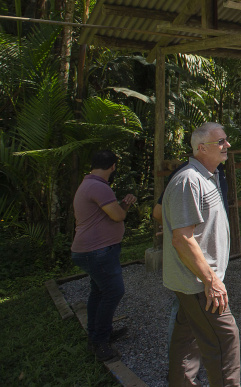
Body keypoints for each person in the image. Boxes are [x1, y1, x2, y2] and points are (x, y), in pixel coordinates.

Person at [161, 122, 240, 386]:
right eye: (221, 141)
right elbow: (182, 239)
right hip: (198, 283)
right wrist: (211, 281)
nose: (226, 145)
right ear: (201, 148)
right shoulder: (188, 181)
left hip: (196, 282)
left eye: (225, 140)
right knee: (225, 340)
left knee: (187, 338)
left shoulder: (209, 176)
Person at [70, 150, 137, 362]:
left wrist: (122, 203)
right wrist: (126, 204)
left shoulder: (89, 184)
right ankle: (99, 342)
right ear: (113, 167)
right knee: (113, 291)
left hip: (93, 250)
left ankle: (99, 333)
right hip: (97, 251)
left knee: (99, 292)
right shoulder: (99, 187)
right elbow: (118, 216)